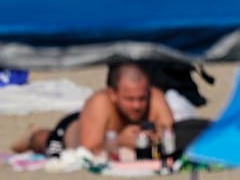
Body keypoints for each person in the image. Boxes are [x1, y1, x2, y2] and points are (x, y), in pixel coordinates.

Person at [12, 62, 175, 158]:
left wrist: (153, 138)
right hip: (71, 137)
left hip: (99, 130)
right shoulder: (100, 103)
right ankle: (33, 134)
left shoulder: (156, 98)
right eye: (129, 99)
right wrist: (119, 141)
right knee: (48, 144)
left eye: (141, 98)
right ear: (113, 94)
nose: (137, 106)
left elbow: (170, 136)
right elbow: (87, 151)